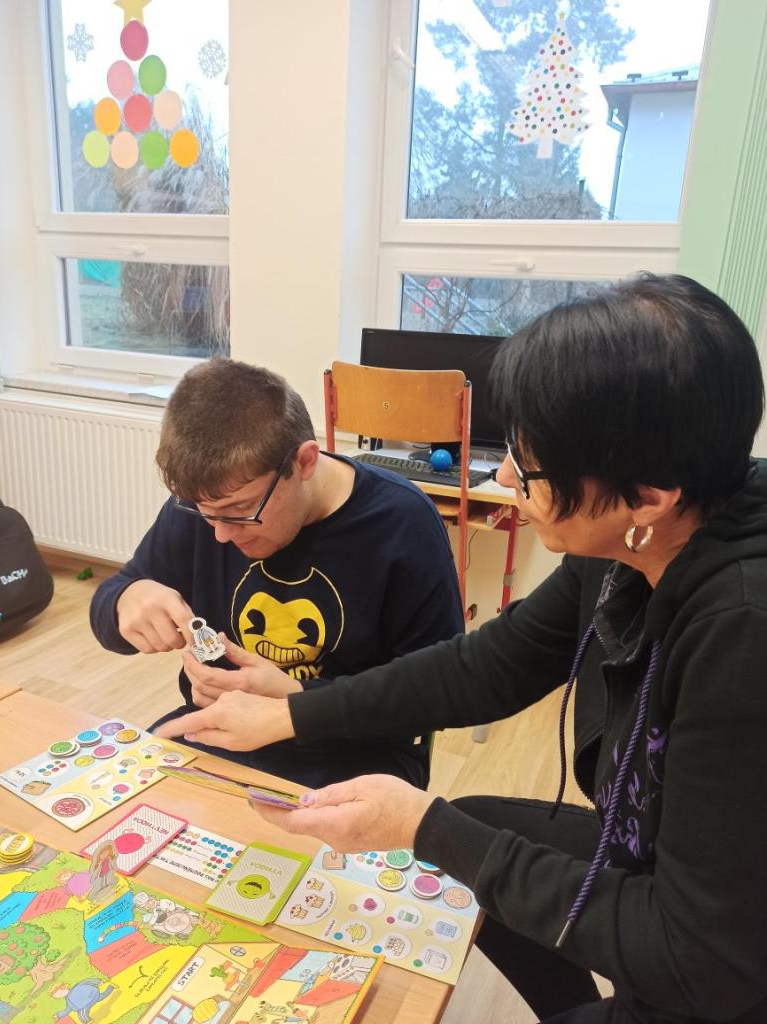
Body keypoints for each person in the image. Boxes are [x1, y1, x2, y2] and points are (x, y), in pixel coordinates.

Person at [158, 275, 767, 1023]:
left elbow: (706, 964)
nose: (505, 476)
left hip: (717, 976)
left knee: (461, 840)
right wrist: (296, 710)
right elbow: (487, 667)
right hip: (660, 870)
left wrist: (422, 826)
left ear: (646, 495)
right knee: (477, 829)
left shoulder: (742, 634)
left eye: (530, 465)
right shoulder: (630, 545)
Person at [91, 359, 463, 789]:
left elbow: (438, 695)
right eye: (205, 512)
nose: (220, 534)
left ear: (304, 462)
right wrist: (124, 601)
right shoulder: (209, 504)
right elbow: (110, 605)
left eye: (240, 510)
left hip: (357, 755)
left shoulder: (403, 523)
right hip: (220, 731)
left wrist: (298, 702)